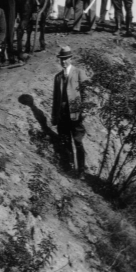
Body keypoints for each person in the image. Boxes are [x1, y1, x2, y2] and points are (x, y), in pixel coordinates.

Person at [51, 47, 86, 177]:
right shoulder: (58, 77)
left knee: (78, 141)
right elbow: (56, 98)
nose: (63, 61)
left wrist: (84, 110)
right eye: (61, 59)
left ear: (71, 59)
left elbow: (86, 93)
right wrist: (54, 116)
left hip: (75, 114)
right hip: (63, 115)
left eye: (66, 59)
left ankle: (81, 170)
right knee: (66, 141)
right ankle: (70, 167)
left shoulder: (79, 73)